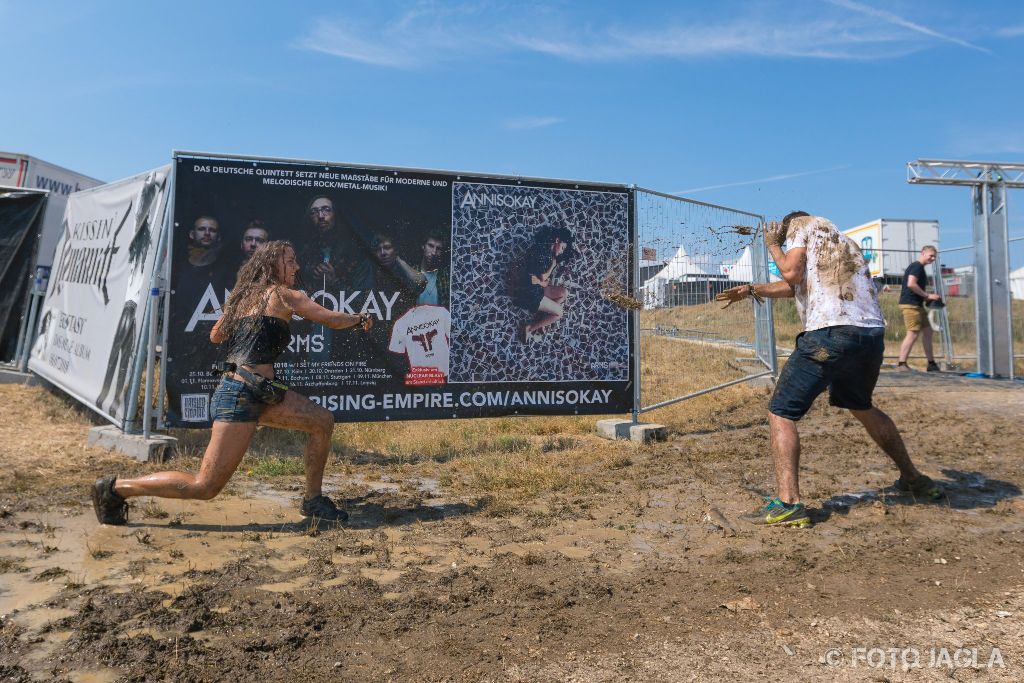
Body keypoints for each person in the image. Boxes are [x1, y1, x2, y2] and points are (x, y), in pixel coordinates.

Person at [91, 240, 374, 526]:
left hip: (259, 392)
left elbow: (216, 335)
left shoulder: (243, 299)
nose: (296, 266)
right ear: (271, 265)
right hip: (240, 395)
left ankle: (313, 500)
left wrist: (250, 321)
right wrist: (359, 318)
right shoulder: (286, 296)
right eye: (289, 260)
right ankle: (115, 489)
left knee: (322, 421)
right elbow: (332, 320)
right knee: (204, 486)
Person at [715, 212, 941, 528]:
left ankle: (789, 504)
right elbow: (800, 285)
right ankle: (913, 478)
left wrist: (772, 245)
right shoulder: (843, 242)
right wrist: (753, 289)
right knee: (860, 405)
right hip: (870, 335)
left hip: (830, 334)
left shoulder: (799, 229)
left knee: (781, 412)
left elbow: (791, 273)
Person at [509, 227, 576, 344]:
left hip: (536, 287)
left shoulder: (546, 252)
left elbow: (542, 280)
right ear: (557, 240)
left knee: (564, 293)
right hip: (529, 293)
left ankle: (541, 319)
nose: (561, 252)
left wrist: (543, 281)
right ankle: (529, 328)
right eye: (562, 248)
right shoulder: (543, 253)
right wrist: (552, 266)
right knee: (559, 313)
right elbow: (543, 277)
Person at [896, 245, 942, 372]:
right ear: (923, 253)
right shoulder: (917, 266)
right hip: (910, 305)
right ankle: (901, 364)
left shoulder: (920, 268)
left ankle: (931, 364)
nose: (933, 258)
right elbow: (911, 284)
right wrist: (927, 295)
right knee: (912, 333)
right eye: (931, 255)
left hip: (917, 305)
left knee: (928, 331)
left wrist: (927, 298)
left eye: (934, 257)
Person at [412, 230, 450, 307]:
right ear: (423, 246)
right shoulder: (412, 271)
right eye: (431, 246)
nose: (434, 252)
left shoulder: (446, 276)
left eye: (438, 248)